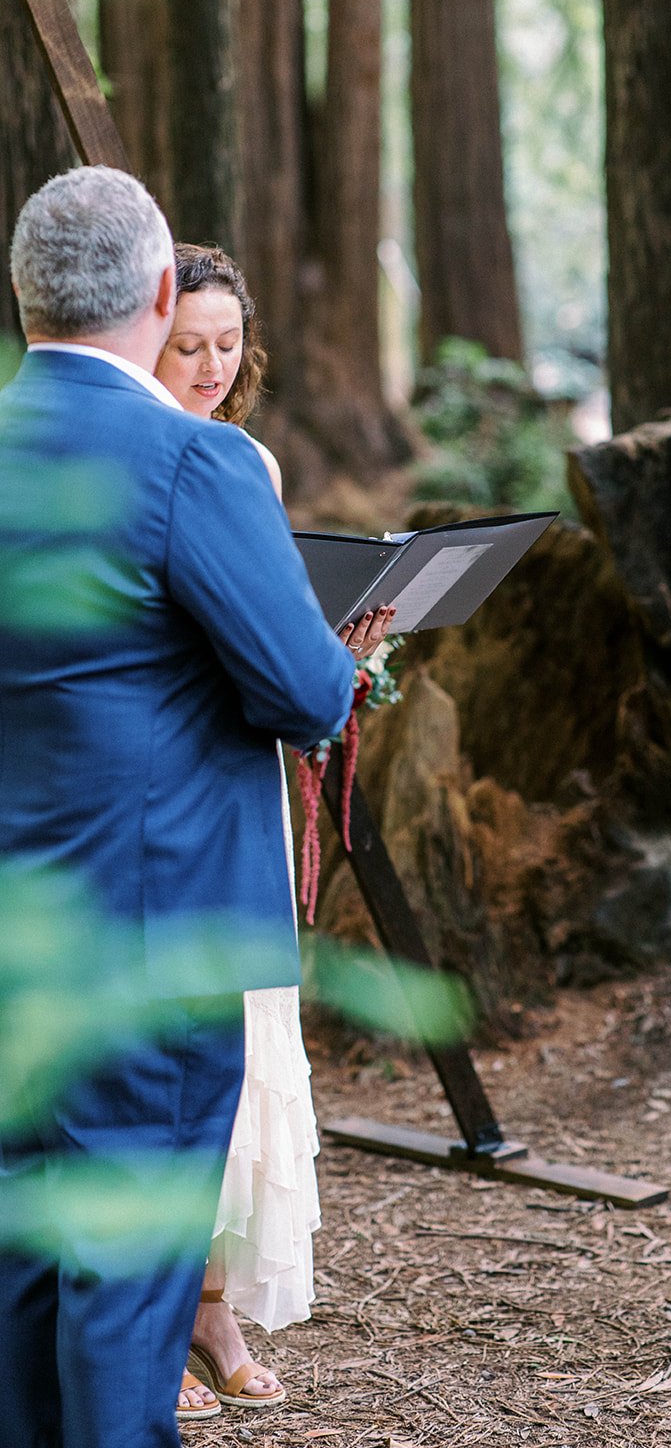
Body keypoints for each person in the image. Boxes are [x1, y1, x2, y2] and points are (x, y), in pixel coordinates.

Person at [0, 166, 387, 1448]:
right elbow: (302, 690)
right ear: (163, 294)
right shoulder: (195, 461)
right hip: (149, 947)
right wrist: (338, 659)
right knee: (123, 1291)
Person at [154, 244, 339, 1418]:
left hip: (243, 779)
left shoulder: (251, 461)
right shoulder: (136, 457)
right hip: (166, 786)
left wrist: (337, 655)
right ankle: (156, 1311)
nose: (213, 367)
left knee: (243, 1046)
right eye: (190, 347)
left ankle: (213, 1305)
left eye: (229, 345)